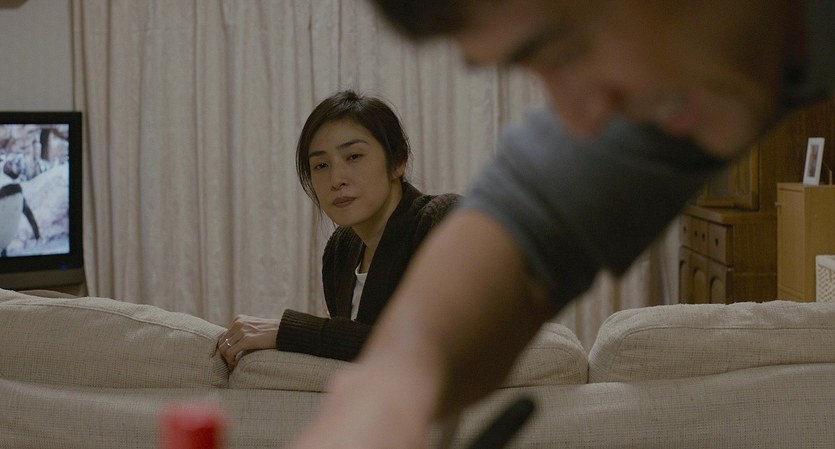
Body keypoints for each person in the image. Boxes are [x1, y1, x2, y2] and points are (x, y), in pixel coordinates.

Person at [290, 1, 834, 448]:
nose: (580, 116)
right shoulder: (668, 76)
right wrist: (385, 397)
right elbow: (522, 214)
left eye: (568, 47)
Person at [216, 89, 459, 368]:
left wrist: (288, 331)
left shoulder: (442, 218)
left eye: (353, 156)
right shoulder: (340, 250)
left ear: (397, 161)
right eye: (321, 165)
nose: (336, 179)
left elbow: (431, 347)